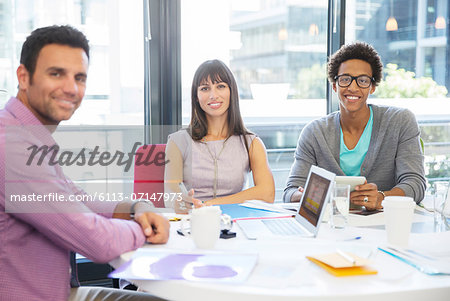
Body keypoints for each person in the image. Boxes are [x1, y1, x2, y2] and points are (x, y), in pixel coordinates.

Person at [0, 25, 169, 301]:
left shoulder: (26, 134)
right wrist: (144, 228)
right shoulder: (12, 146)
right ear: (23, 77)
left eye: (79, 77)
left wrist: (136, 208)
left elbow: (76, 199)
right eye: (56, 74)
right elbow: (97, 242)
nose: (71, 88)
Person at [283, 42, 426, 210]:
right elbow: (290, 192)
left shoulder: (400, 122)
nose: (353, 87)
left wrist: (382, 198)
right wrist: (310, 195)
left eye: (363, 81)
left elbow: (415, 184)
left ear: (372, 87)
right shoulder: (314, 133)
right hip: (331, 227)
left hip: (384, 225)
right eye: (345, 79)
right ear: (335, 85)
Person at [165, 59, 274, 211]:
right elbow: (170, 193)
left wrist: (212, 203)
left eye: (220, 86)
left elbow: (267, 193)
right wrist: (182, 202)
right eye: (204, 88)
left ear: (232, 92)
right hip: (193, 220)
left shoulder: (252, 143)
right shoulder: (178, 142)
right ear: (196, 96)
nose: (213, 95)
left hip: (235, 223)